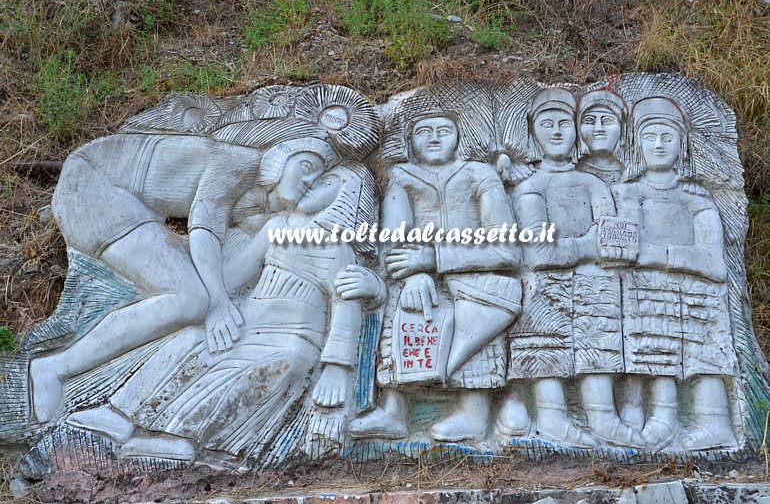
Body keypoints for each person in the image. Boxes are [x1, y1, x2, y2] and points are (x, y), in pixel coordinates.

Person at [65, 158, 383, 463]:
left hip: (292, 339)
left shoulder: (340, 247)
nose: (312, 183)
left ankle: (183, 438)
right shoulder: (277, 227)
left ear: (348, 197)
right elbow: (235, 278)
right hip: (247, 323)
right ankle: (121, 415)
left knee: (271, 367)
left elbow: (346, 306)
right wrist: (192, 269)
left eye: (327, 181)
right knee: (190, 341)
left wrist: (336, 368)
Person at [29, 135, 336, 423]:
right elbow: (205, 228)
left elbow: (227, 276)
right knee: (191, 299)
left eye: (319, 180)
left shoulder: (257, 209)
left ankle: (58, 368)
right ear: (278, 160)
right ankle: (53, 368)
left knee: (194, 294)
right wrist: (217, 304)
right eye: (306, 166)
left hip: (125, 202)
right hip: (94, 187)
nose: (310, 181)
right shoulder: (237, 164)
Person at [349, 113, 521, 442]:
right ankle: (394, 410)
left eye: (444, 130)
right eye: (423, 131)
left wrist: (435, 258)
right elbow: (394, 242)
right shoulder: (401, 176)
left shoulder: (478, 173)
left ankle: (474, 412)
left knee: (477, 308)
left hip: (476, 276)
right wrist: (413, 274)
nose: (434, 138)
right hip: (419, 275)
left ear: (459, 137)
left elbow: (508, 250)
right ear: (409, 141)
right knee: (406, 299)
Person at [498, 87, 642, 448]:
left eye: (565, 123)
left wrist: (578, 248)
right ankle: (552, 416)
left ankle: (602, 416)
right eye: (548, 124)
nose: (558, 132)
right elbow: (540, 254)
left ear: (577, 132)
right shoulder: (530, 187)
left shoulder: (592, 183)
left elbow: (615, 243)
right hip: (544, 286)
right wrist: (585, 243)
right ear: (533, 132)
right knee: (545, 337)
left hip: (595, 284)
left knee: (600, 330)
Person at [609, 96, 738, 451]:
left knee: (704, 351)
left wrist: (659, 255)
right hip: (648, 294)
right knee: (652, 344)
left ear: (683, 145)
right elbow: (620, 249)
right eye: (650, 137)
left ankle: (715, 422)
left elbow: (714, 263)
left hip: (697, 295)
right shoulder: (624, 194)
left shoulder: (697, 199)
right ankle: (658, 416)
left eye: (669, 136)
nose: (660, 144)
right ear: (637, 146)